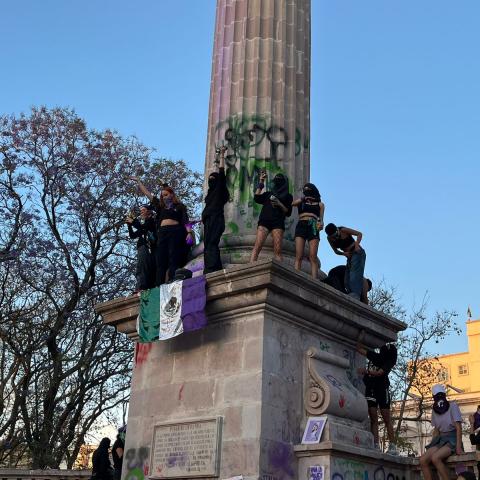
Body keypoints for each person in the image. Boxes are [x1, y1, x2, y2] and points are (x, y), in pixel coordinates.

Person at [132, 178, 193, 285]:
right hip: (163, 233)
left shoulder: (179, 207)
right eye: (162, 196)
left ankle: (173, 279)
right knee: (160, 259)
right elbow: (148, 194)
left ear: (171, 195)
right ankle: (159, 284)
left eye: (166, 195)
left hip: (175, 232)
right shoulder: (160, 207)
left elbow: (185, 221)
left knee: (173, 256)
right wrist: (139, 182)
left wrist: (188, 233)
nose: (164, 197)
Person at [357, 342, 398, 454]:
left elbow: (379, 373)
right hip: (370, 388)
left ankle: (393, 445)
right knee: (373, 417)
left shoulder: (388, 362)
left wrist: (366, 371)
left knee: (386, 418)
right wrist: (360, 337)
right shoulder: (375, 356)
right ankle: (375, 444)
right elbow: (360, 349)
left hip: (382, 389)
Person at [419, 384, 463, 480]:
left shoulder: (453, 406)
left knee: (435, 458)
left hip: (452, 439)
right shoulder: (434, 410)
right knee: (422, 460)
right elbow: (436, 430)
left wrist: (458, 447)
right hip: (441, 440)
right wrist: (432, 445)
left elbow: (458, 427)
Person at [250, 171, 293, 262]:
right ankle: (248, 271)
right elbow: (256, 198)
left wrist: (279, 203)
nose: (277, 182)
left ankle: (281, 275)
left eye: (280, 180)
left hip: (277, 222)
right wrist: (261, 182)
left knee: (277, 250)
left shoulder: (288, 196)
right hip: (264, 221)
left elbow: (288, 212)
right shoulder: (269, 194)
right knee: (257, 246)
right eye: (276, 180)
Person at [202, 146, 229, 274]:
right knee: (208, 245)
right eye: (210, 179)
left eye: (214, 179)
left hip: (216, 219)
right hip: (208, 220)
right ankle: (214, 266)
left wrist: (222, 155)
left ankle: (211, 268)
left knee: (212, 243)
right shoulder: (210, 194)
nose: (211, 180)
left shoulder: (220, 190)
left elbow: (221, 173)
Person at [325, 223, 366, 300]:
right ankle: (352, 294)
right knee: (347, 278)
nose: (335, 237)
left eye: (335, 235)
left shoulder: (343, 230)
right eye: (333, 237)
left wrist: (357, 245)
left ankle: (356, 295)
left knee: (354, 274)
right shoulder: (329, 238)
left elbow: (359, 234)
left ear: (337, 230)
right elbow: (336, 251)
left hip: (357, 252)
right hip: (349, 256)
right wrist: (344, 253)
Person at [292, 183, 324, 279]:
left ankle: (314, 279)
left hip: (313, 226)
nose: (306, 190)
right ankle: (296, 276)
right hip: (301, 224)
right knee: (299, 254)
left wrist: (320, 225)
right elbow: (292, 204)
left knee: (313, 255)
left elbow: (321, 219)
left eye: (308, 189)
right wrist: (303, 199)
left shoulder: (320, 204)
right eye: (305, 189)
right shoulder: (301, 201)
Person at [126, 204, 156, 291]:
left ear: (149, 211)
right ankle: (141, 286)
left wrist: (134, 221)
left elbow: (144, 228)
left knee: (144, 267)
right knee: (141, 267)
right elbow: (133, 235)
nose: (141, 212)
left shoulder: (151, 221)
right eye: (141, 210)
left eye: (143, 210)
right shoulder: (142, 225)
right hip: (142, 246)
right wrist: (129, 226)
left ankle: (142, 286)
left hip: (148, 247)